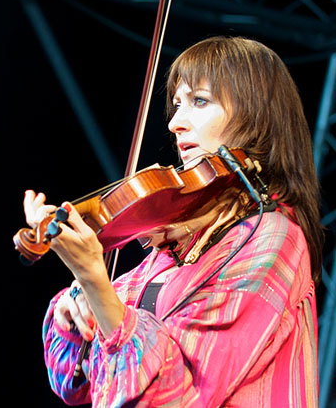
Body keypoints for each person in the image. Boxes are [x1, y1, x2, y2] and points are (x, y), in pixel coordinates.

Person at [24, 36, 323, 407]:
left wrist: (95, 281)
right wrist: (77, 315)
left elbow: (180, 395)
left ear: (255, 116)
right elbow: (76, 385)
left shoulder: (272, 237)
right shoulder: (179, 244)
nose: (176, 122)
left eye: (199, 101)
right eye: (178, 104)